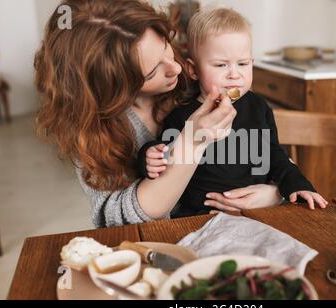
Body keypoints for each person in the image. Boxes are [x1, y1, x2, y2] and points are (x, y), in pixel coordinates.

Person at [34, 0, 286, 227]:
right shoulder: (91, 128)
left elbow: (265, 148)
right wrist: (192, 141)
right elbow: (116, 218)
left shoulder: (201, 75)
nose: (176, 67)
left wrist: (275, 192)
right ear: (113, 86)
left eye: (165, 46)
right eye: (152, 72)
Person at [140, 8, 328, 218]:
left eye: (243, 64)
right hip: (197, 215)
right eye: (221, 65)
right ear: (194, 70)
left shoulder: (258, 106)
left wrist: (298, 185)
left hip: (259, 213)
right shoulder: (181, 114)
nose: (234, 75)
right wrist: (148, 155)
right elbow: (167, 157)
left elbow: (275, 155)